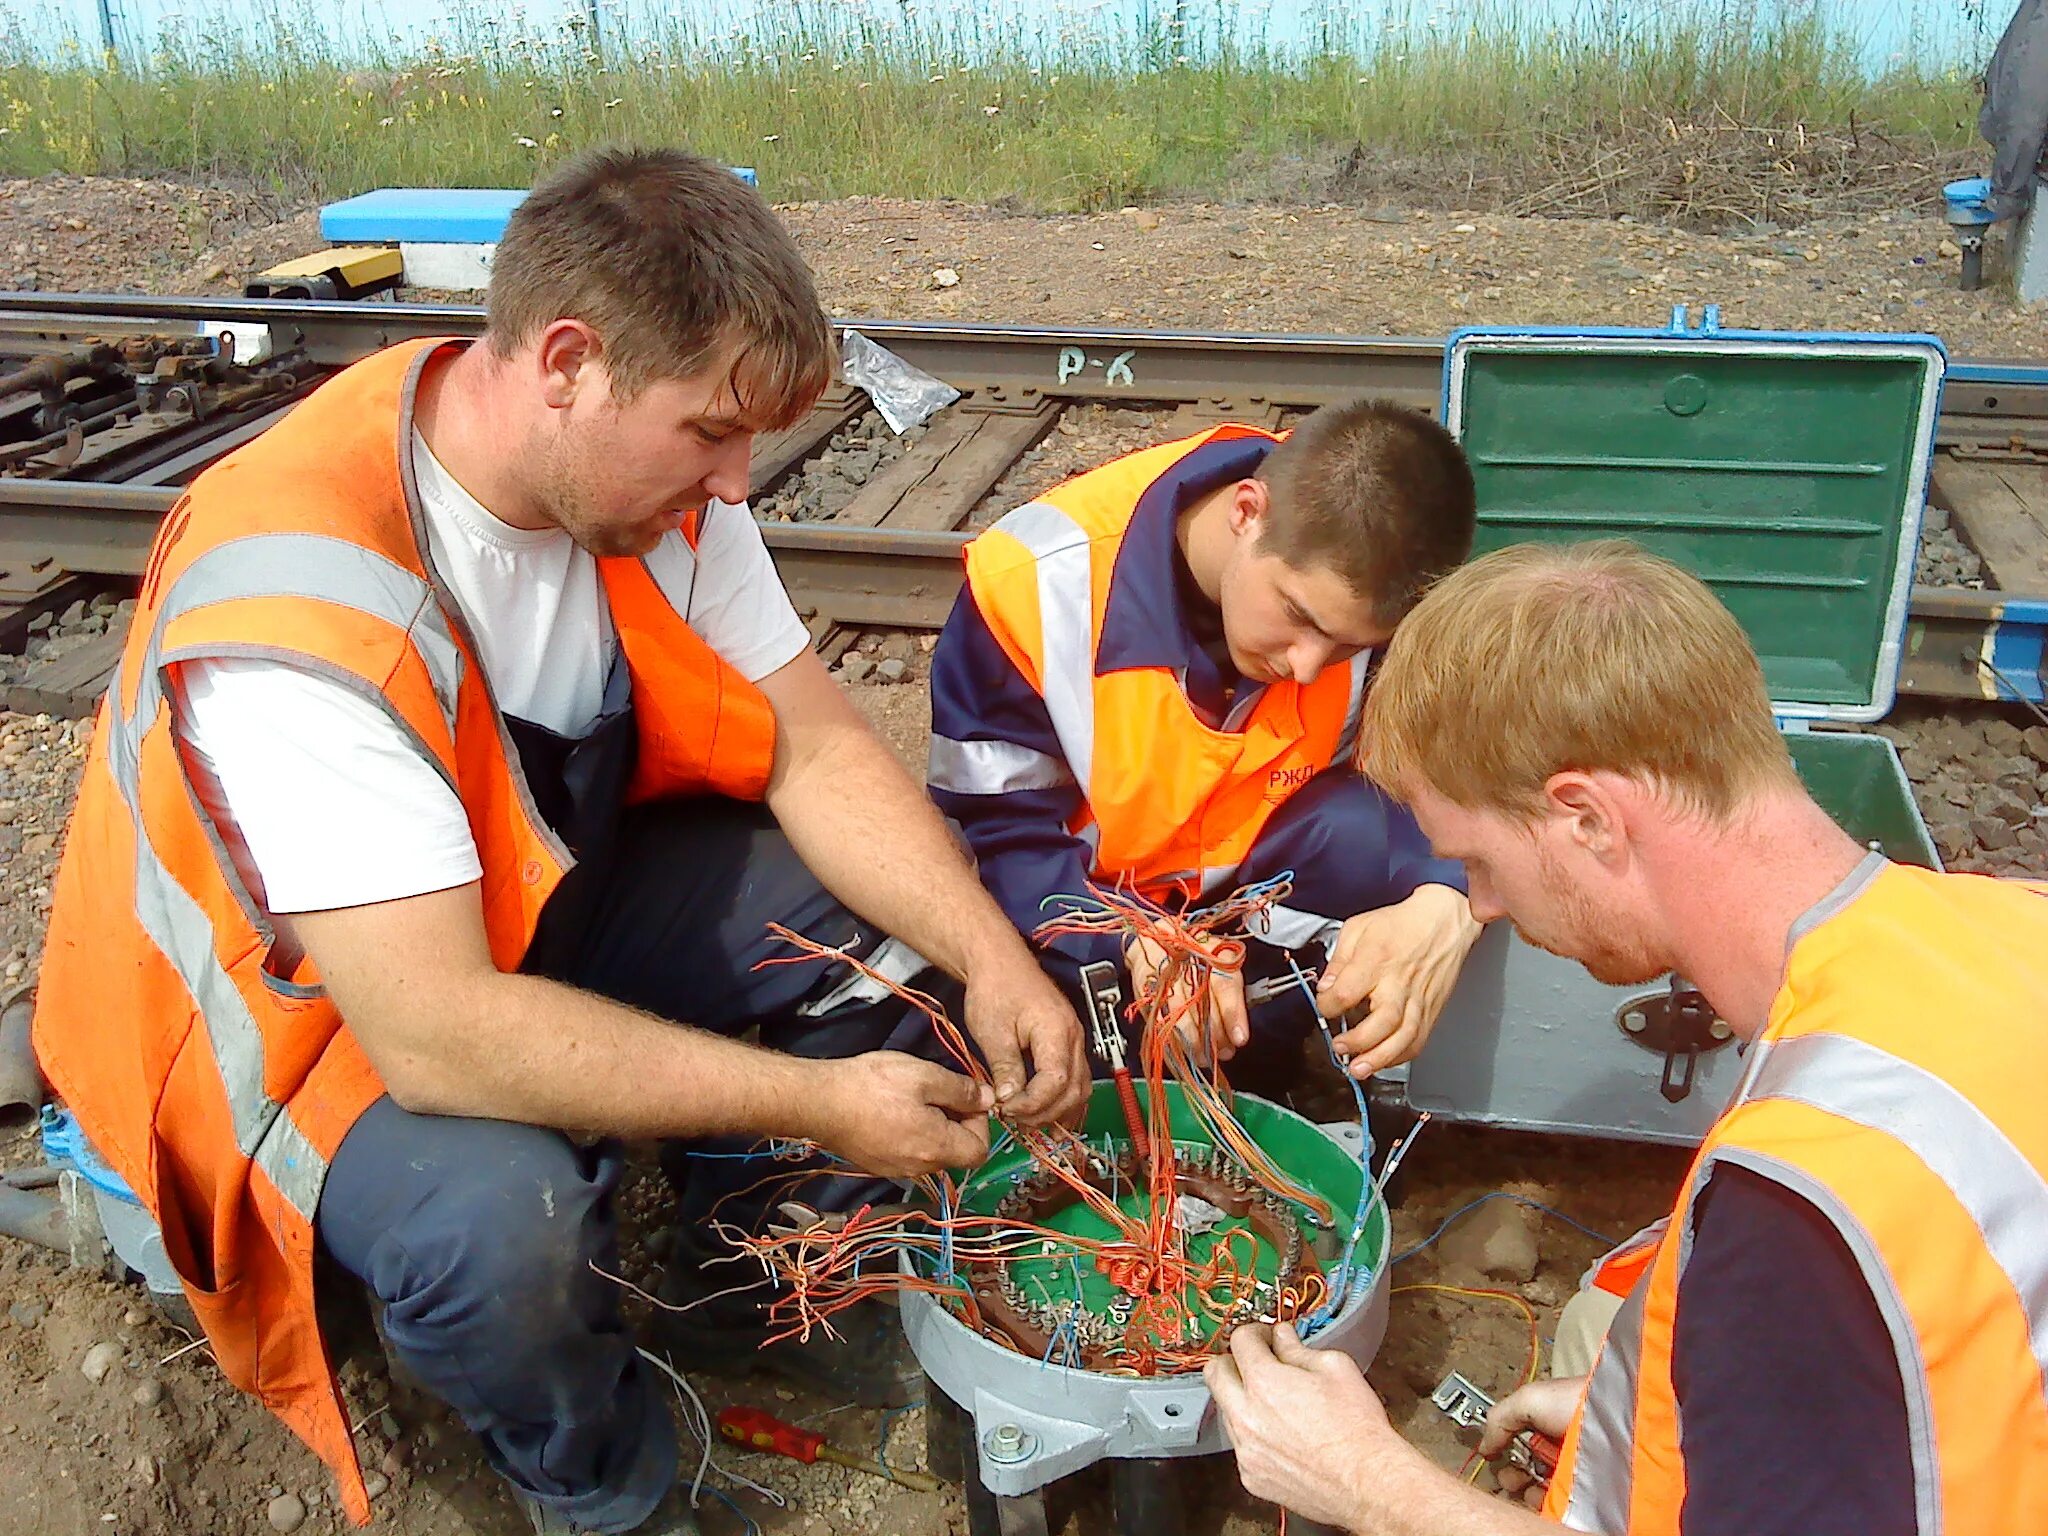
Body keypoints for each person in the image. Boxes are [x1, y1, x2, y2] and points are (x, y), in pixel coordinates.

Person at [30, 147, 1087, 1536]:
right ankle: (599, 1489)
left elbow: (822, 747)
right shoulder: (306, 598)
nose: (734, 483)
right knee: (507, 1226)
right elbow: (440, 1035)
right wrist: (822, 1105)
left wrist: (993, 958)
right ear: (569, 362)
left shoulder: (639, 491)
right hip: (307, 1031)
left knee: (884, 945)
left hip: (509, 895)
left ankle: (755, 1294)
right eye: (710, 433)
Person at [1205, 540, 2048, 1536]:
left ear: (1588, 819)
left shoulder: (1804, 1210)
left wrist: (1365, 1483)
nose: (1477, 902)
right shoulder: (2007, 923)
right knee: (1596, 1324)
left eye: (1474, 859)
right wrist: (1682, 1407)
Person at [926, 402, 1483, 1092]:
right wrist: (1130, 939)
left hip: (1233, 888)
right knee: (1059, 1075)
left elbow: (1454, 770)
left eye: (1349, 645)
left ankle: (1263, 1057)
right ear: (1247, 510)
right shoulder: (1039, 583)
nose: (1310, 666)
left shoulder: (1374, 558)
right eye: (1299, 617)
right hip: (1075, 907)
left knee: (1382, 837)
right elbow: (999, 837)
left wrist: (1452, 895)